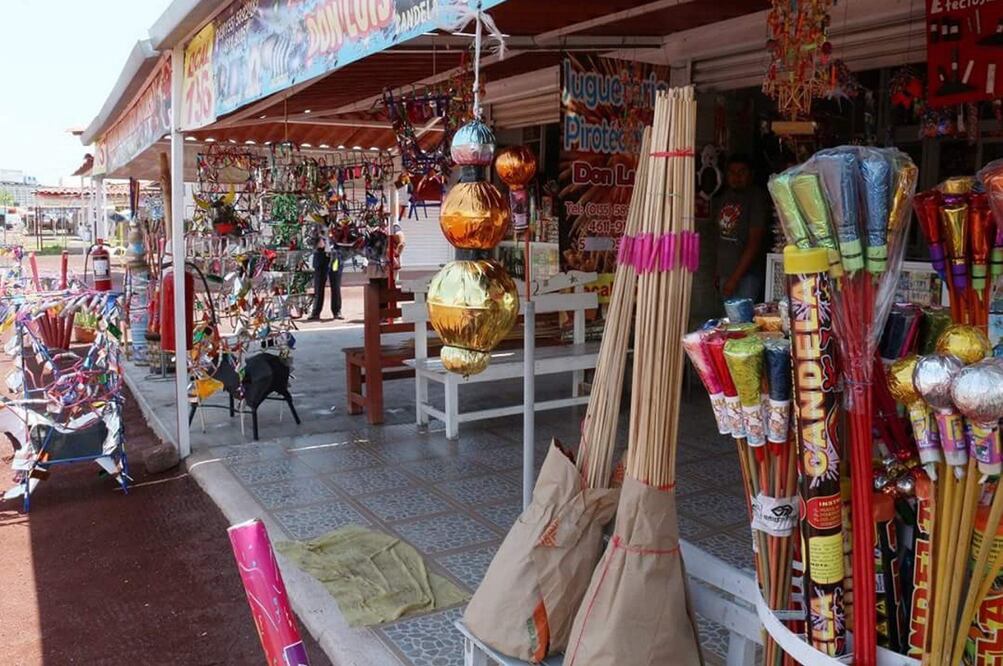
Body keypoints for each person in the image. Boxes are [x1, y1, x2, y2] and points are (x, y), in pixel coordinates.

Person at [712, 154, 767, 302]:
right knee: (729, 321)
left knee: (741, 322)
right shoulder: (725, 197)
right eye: (732, 172)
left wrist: (735, 278)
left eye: (742, 172)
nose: (736, 177)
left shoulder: (755, 198)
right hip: (726, 273)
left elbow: (754, 243)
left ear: (751, 174)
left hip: (746, 275)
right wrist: (718, 272)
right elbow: (721, 238)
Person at [308, 235, 343, 321]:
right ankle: (316, 312)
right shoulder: (317, 227)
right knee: (318, 286)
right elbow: (309, 240)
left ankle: (337, 311)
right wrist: (317, 241)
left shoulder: (337, 225)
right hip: (321, 257)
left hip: (335, 258)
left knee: (336, 285)